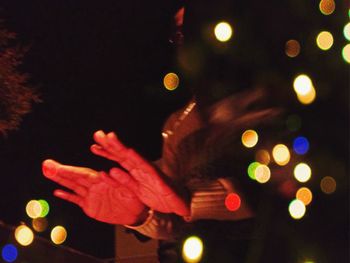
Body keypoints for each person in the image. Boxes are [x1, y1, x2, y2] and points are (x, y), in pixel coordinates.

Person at [42, 2, 293, 262]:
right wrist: (141, 216)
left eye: (196, 28)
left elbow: (281, 188)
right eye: (181, 34)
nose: (189, 43)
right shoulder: (179, 125)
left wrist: (190, 200)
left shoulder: (284, 98)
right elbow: (177, 223)